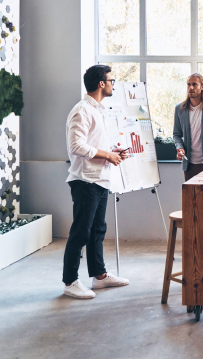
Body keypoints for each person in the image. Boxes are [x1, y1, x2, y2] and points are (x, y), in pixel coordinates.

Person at [63, 65, 130, 299]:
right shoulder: (81, 110)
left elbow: (94, 142)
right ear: (101, 84)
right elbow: (76, 146)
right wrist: (107, 155)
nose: (113, 83)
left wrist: (113, 152)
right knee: (81, 232)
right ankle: (70, 281)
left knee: (97, 230)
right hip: (85, 181)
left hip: (100, 180)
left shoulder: (98, 110)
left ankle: (99, 276)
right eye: (111, 80)